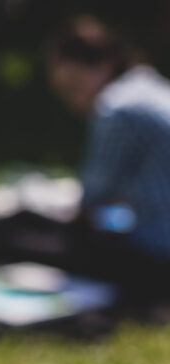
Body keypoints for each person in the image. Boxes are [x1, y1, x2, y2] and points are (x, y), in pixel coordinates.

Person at [47, 15, 170, 301]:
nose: (75, 102)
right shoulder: (149, 85)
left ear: (104, 65)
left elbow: (91, 199)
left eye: (75, 86)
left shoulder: (116, 108)